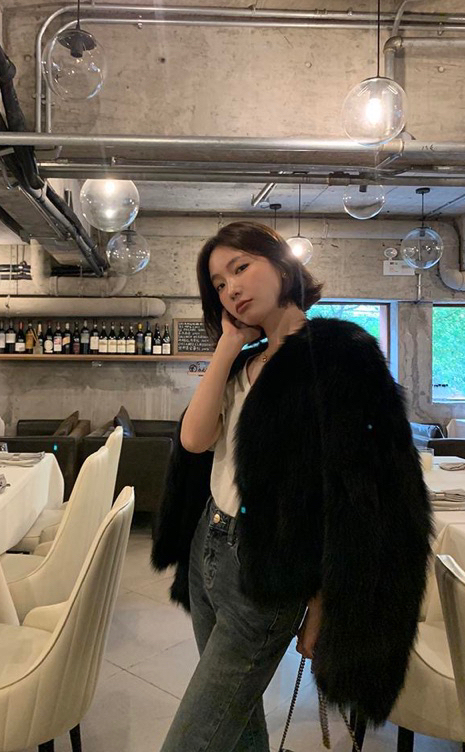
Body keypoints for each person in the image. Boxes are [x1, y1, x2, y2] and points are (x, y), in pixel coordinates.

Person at [152, 222, 433, 752]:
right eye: (218, 284)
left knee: (194, 738)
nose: (231, 288)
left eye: (241, 267)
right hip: (207, 549)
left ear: (283, 265)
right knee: (237, 728)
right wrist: (228, 345)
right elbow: (194, 440)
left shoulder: (340, 355)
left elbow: (362, 491)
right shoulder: (244, 361)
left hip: (269, 568)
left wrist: (325, 601)